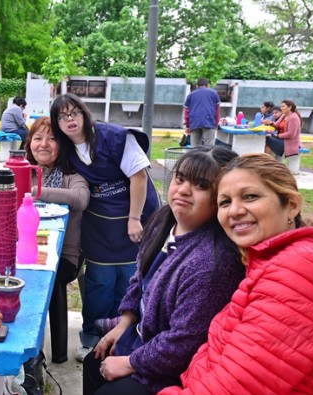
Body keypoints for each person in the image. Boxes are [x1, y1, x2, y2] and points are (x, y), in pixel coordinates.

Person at [159, 154, 313, 394]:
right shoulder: (272, 261)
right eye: (225, 202)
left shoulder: (302, 270)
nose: (235, 211)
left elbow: (236, 386)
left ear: (291, 204)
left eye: (250, 196)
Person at [83, 146, 244, 395]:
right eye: (180, 179)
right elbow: (139, 277)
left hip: (171, 367)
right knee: (93, 363)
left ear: (221, 199)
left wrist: (130, 363)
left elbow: (183, 342)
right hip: (144, 337)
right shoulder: (163, 221)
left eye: (200, 185)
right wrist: (124, 323)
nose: (183, 190)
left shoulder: (211, 264)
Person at [49, 93, 160, 362]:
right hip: (99, 226)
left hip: (135, 219)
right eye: (62, 116)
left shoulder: (114, 137)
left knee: (130, 279)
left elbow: (139, 175)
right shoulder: (67, 149)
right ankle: (91, 338)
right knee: (99, 284)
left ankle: (123, 338)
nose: (69, 120)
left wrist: (134, 218)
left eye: (74, 112)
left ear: (85, 113)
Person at [24, 116, 89, 363]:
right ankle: (30, 349)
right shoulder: (24, 172)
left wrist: (39, 192)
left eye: (52, 139)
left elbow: (81, 198)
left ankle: (51, 353)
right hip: (27, 250)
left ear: (62, 144)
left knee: (41, 276)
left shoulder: (71, 174)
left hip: (64, 257)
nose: (44, 144)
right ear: (29, 142)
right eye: (38, 138)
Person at [183, 78, 220, 147]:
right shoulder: (214, 93)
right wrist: (216, 123)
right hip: (209, 122)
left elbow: (186, 111)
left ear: (197, 86)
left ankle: (195, 158)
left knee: (195, 148)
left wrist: (188, 125)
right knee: (209, 148)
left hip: (194, 123)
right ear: (208, 85)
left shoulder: (191, 95)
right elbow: (217, 110)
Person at [277, 99, 303, 174]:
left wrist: (278, 135)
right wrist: (270, 123)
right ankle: (276, 164)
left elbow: (291, 134)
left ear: (289, 107)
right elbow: (276, 125)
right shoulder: (284, 115)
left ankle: (269, 163)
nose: (281, 108)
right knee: (268, 140)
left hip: (288, 142)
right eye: (281, 106)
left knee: (269, 142)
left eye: (283, 106)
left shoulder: (293, 118)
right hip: (281, 139)